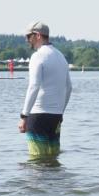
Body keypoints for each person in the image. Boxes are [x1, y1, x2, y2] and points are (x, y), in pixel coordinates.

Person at [19, 21, 72, 160]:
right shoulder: (61, 57)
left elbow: (34, 86)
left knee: (36, 160)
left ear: (37, 35)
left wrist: (24, 116)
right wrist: (61, 112)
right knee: (52, 158)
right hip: (56, 116)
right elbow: (69, 88)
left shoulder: (37, 56)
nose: (27, 40)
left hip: (38, 115)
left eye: (28, 36)